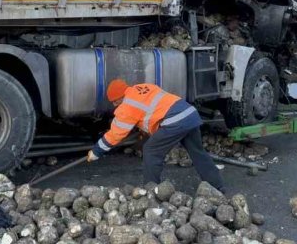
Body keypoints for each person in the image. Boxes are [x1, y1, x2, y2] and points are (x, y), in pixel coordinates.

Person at [87, 79, 224, 191]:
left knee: (151, 151)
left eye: (115, 102)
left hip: (174, 121)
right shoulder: (142, 87)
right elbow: (154, 110)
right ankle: (217, 187)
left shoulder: (127, 105)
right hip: (189, 113)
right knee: (198, 152)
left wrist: (96, 151)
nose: (115, 105)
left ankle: (151, 191)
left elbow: (115, 134)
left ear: (118, 99)